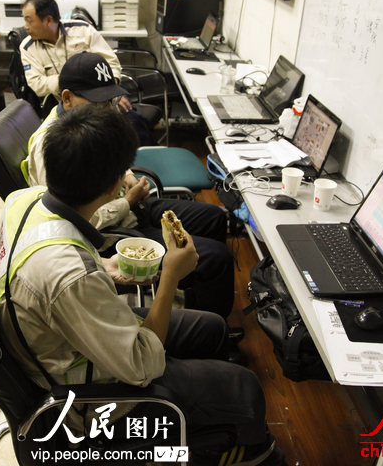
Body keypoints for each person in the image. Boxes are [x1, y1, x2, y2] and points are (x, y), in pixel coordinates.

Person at [0, 104, 284, 466]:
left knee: (211, 328)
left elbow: (49, 278)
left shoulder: (24, 199)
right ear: (114, 186)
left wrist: (106, 267)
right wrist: (171, 274)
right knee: (245, 388)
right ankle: (246, 451)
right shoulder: (71, 277)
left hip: (62, 332)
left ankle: (205, 412)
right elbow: (141, 365)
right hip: (84, 402)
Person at [22, 52, 234, 318]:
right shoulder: (51, 147)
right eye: (98, 102)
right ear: (67, 98)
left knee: (214, 218)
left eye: (109, 100)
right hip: (111, 232)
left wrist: (126, 172)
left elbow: (108, 157)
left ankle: (198, 300)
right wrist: (127, 202)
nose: (107, 109)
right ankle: (212, 328)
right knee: (217, 259)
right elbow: (68, 220)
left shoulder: (89, 125)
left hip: (129, 208)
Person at [20, 0, 153, 142]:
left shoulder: (83, 30)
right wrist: (76, 81)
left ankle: (141, 158)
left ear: (48, 20)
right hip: (64, 104)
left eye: (29, 21)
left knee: (132, 123)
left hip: (103, 96)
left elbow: (111, 63)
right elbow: (37, 84)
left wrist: (111, 95)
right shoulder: (27, 47)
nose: (26, 27)